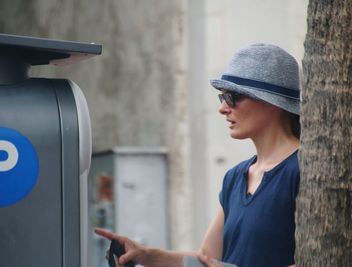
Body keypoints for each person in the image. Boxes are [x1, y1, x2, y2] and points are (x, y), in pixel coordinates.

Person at [95, 43, 301, 267]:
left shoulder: (303, 170)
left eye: (232, 97)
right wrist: (145, 255)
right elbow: (206, 259)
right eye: (222, 97)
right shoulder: (234, 177)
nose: (223, 108)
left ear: (272, 102)